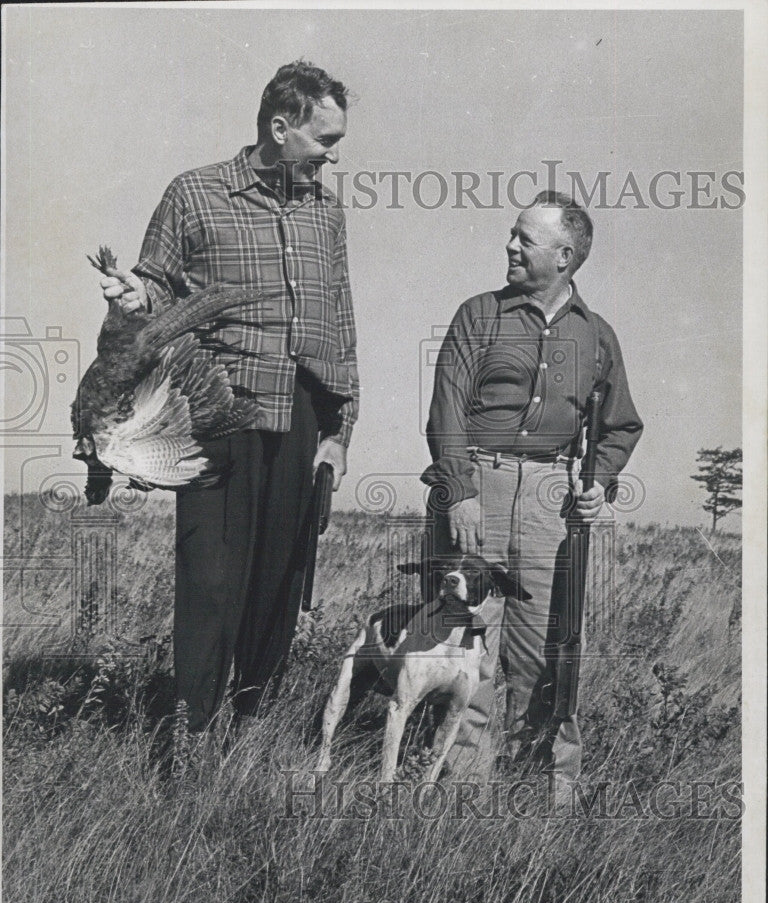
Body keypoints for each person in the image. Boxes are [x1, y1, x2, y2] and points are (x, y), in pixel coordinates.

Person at [101, 61, 359, 734]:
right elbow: (154, 283)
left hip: (301, 416)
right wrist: (136, 297)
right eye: (324, 140)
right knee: (211, 585)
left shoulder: (326, 212)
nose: (332, 157)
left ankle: (247, 733)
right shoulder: (194, 194)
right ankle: (189, 742)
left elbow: (340, 316)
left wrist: (341, 428)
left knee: (276, 588)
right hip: (219, 414)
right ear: (281, 128)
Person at [421, 190, 643, 795]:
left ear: (565, 256)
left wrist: (597, 484)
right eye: (513, 235)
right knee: (468, 651)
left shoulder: (598, 337)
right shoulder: (478, 315)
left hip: (554, 503)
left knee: (550, 654)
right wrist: (460, 492)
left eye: (525, 238)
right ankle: (460, 803)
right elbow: (446, 415)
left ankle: (545, 804)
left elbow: (620, 426)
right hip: (476, 492)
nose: (510, 246)